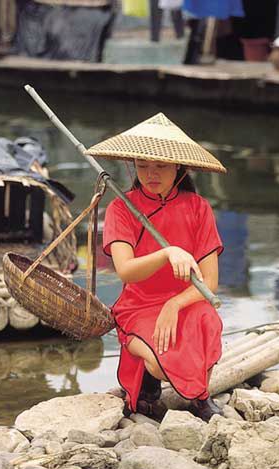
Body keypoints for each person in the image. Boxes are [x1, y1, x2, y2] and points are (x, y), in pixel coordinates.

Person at [86, 113, 227, 422]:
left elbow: (211, 282)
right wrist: (168, 253)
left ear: (179, 166)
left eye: (160, 166)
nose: (151, 174)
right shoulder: (121, 208)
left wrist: (175, 304)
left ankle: (200, 397)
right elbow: (125, 271)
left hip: (186, 300)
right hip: (138, 306)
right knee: (160, 366)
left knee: (207, 321)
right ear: (132, 166)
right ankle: (147, 380)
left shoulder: (198, 207)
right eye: (142, 165)